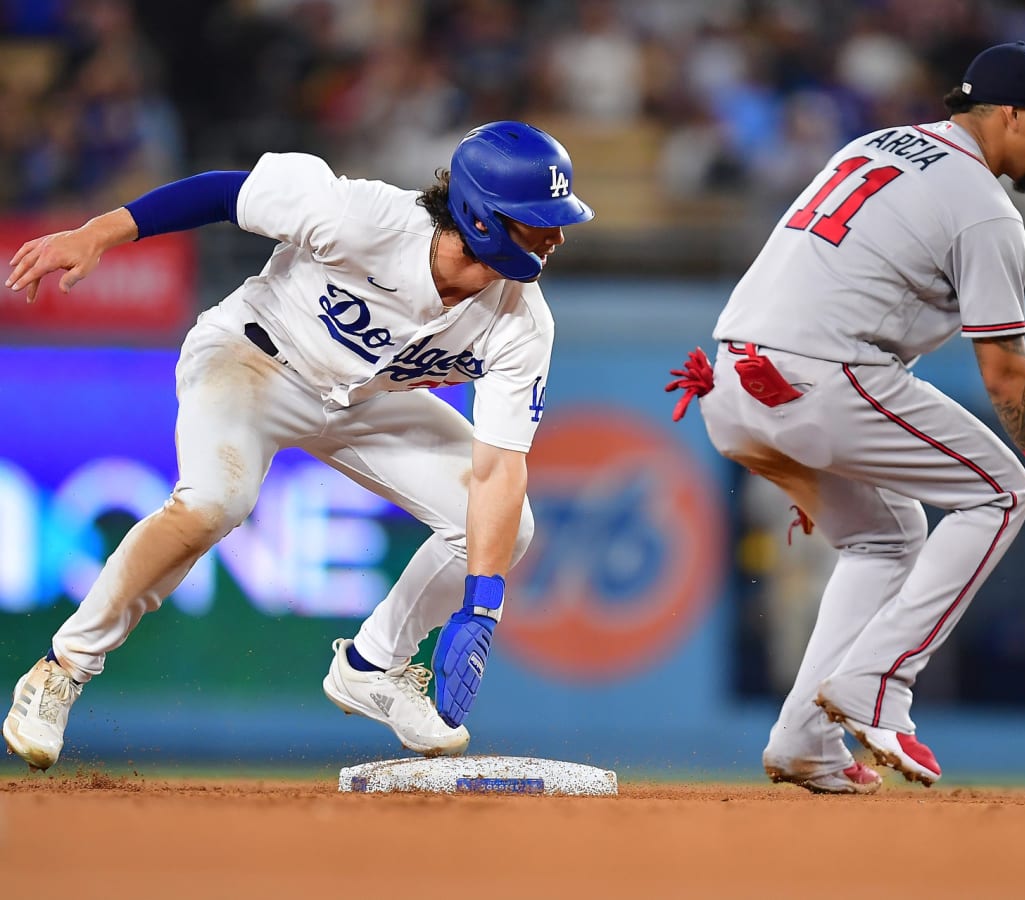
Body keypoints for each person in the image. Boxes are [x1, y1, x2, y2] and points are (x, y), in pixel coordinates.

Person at [3, 120, 594, 770]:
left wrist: (482, 605)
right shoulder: (362, 218)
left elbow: (499, 469)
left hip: (365, 403)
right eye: (539, 220)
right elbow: (225, 193)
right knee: (212, 504)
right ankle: (59, 671)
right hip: (254, 362)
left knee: (505, 528)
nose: (557, 235)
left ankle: (374, 666)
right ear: (483, 219)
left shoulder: (523, 321)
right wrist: (96, 233)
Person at [666, 42, 1025, 794]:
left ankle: (803, 741)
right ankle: (881, 682)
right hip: (817, 380)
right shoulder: (987, 210)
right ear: (1009, 114)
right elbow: (1006, 370)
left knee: (886, 537)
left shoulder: (876, 144)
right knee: (1002, 492)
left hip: (729, 384)